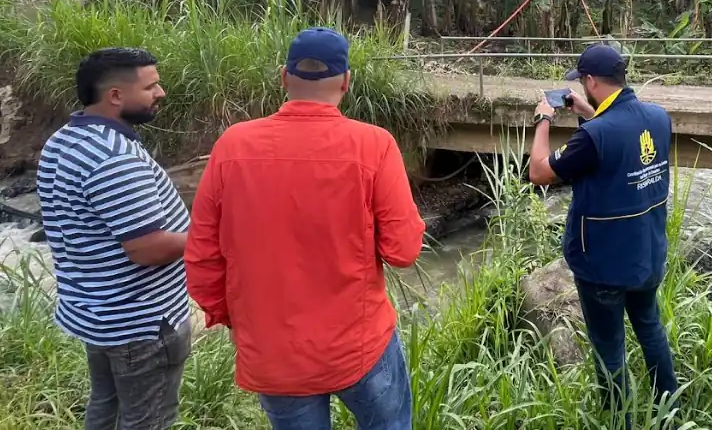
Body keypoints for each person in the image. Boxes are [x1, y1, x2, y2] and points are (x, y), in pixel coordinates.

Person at [184, 27, 426, 430]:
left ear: (284, 77)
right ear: (346, 81)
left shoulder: (232, 146)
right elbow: (403, 251)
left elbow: (202, 256)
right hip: (359, 344)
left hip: (274, 353)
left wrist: (238, 319)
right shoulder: (374, 145)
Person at [36, 48, 191, 430]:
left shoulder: (65, 138)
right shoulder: (113, 156)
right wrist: (211, 235)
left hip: (99, 313)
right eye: (151, 85)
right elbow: (147, 248)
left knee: (106, 407)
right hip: (142, 322)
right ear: (116, 96)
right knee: (148, 420)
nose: (161, 93)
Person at [528, 43, 678, 425]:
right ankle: (670, 408)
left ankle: (620, 421)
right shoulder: (659, 118)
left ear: (591, 81)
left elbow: (540, 173)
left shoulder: (593, 136)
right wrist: (586, 112)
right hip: (647, 254)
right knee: (651, 329)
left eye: (583, 82)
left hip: (603, 265)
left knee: (609, 351)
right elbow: (621, 140)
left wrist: (544, 118)